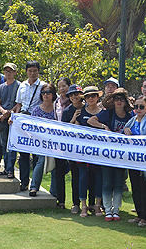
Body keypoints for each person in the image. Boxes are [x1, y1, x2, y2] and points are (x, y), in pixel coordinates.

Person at [90, 87, 132, 221]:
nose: (119, 102)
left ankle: (116, 210)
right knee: (107, 182)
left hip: (122, 155)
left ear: (126, 102)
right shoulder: (108, 113)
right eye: (116, 99)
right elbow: (91, 120)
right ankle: (108, 210)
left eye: (122, 99)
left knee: (119, 183)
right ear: (112, 101)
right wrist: (104, 127)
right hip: (107, 154)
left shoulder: (129, 116)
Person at [9, 60, 45, 191]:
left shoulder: (43, 86)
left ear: (38, 71)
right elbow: (19, 104)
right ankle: (24, 182)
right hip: (23, 121)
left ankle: (35, 184)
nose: (32, 73)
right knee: (23, 154)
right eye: (30, 71)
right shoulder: (22, 85)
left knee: (36, 154)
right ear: (26, 72)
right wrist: (15, 118)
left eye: (35, 70)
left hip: (36, 122)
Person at [72, 85, 104, 217]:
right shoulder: (80, 112)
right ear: (84, 98)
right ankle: (83, 206)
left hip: (99, 152)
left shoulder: (103, 112)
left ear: (97, 97)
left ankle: (97, 206)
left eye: (93, 96)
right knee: (83, 178)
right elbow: (74, 130)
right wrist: (74, 119)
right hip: (83, 152)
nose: (91, 98)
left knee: (99, 178)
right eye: (88, 96)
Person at [124, 94, 146, 226]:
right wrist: (125, 131)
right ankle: (139, 214)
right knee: (135, 187)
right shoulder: (131, 122)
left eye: (141, 107)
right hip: (132, 159)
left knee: (144, 188)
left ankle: (145, 217)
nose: (138, 109)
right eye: (136, 106)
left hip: (144, 160)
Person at [28, 83, 57, 197]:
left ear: (53, 94)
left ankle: (54, 192)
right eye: (43, 92)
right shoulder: (36, 110)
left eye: (48, 92)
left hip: (55, 143)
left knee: (55, 165)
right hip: (40, 142)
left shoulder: (57, 109)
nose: (46, 94)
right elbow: (31, 126)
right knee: (41, 161)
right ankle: (34, 187)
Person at [62, 84, 85, 214]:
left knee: (89, 175)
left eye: (76, 94)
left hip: (87, 148)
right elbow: (64, 131)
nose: (74, 97)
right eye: (71, 95)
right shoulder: (67, 111)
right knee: (75, 176)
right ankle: (75, 203)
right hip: (73, 149)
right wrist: (73, 120)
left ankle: (91, 203)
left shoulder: (87, 108)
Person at [0, 62, 20, 179]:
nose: (8, 73)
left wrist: (8, 113)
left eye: (10, 71)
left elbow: (19, 103)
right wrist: (3, 111)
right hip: (2, 118)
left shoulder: (18, 85)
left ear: (15, 72)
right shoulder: (1, 87)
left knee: (12, 145)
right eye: (6, 71)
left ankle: (11, 169)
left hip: (13, 119)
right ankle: (6, 168)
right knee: (3, 144)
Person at [51, 77, 72, 207]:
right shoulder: (56, 102)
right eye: (59, 87)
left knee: (74, 171)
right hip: (59, 141)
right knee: (59, 171)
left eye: (64, 86)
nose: (62, 89)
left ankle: (78, 202)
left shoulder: (74, 101)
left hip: (72, 141)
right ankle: (61, 200)